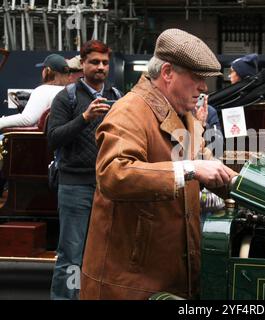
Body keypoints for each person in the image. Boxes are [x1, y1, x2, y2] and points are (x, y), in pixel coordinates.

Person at [80, 28, 237, 300]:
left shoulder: (184, 116)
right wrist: (190, 169)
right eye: (197, 77)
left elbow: (209, 165)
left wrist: (248, 186)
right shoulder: (130, 111)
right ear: (167, 73)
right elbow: (114, 173)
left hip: (168, 278)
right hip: (128, 284)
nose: (203, 87)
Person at [47, 40, 122, 300]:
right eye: (94, 62)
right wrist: (84, 118)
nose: (100, 67)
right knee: (71, 255)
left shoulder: (117, 96)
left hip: (108, 186)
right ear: (83, 64)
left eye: (104, 63)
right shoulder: (66, 97)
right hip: (74, 187)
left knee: (104, 253)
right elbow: (53, 138)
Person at [0, 54, 71, 130]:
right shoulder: (69, 90)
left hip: (41, 140)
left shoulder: (43, 90)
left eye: (44, 68)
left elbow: (27, 119)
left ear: (48, 71)